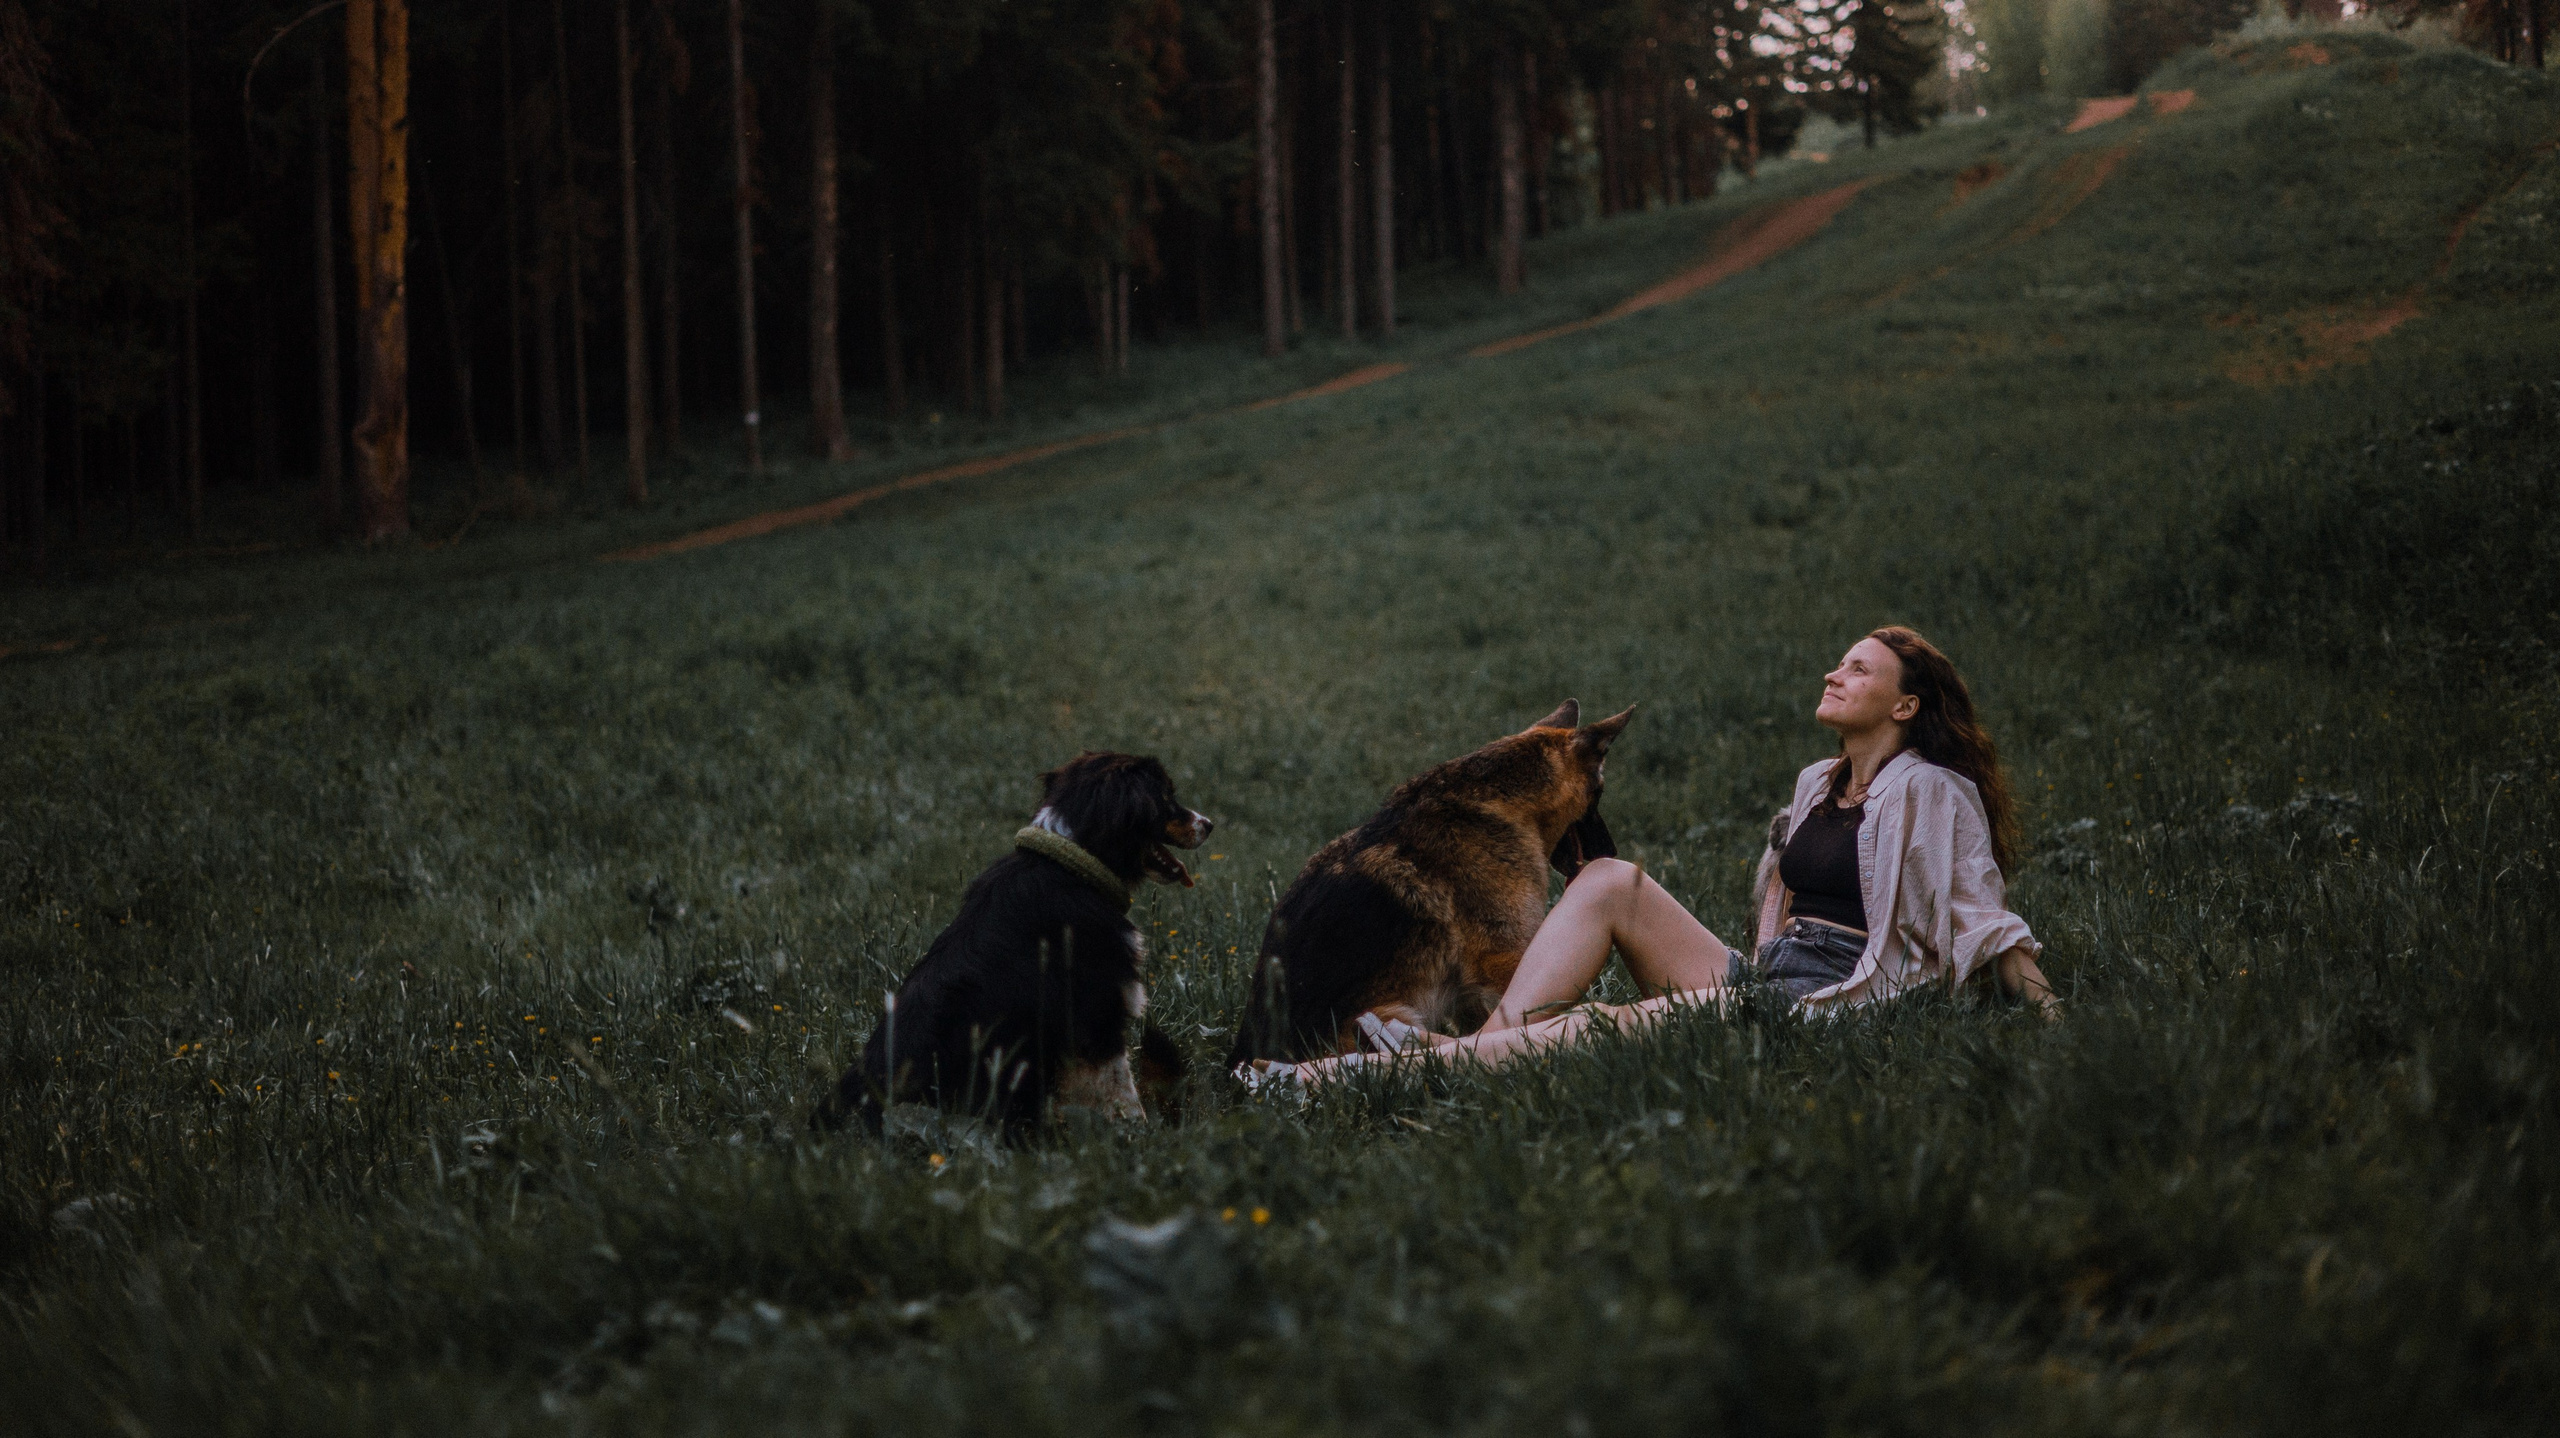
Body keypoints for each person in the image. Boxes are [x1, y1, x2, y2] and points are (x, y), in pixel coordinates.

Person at [1248, 625, 2059, 1088]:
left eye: (1858, 669)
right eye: (1839, 662)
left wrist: (2055, 1021)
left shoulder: (1933, 793)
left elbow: (1981, 919)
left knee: (1614, 1021)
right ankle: (1477, 1049)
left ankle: (1328, 1083)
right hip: (1773, 975)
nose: (1832, 673)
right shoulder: (1821, 782)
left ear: (1906, 705)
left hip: (1839, 999)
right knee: (1607, 878)